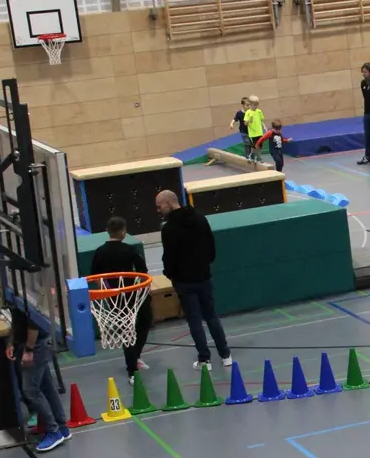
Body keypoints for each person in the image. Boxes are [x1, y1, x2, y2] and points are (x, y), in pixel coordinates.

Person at [0, 266, 70, 452]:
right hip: (26, 342)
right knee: (47, 387)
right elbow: (16, 320)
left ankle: (53, 431)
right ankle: (62, 426)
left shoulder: (23, 293)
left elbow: (33, 323)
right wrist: (12, 342)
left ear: (1, 273)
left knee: (30, 390)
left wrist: (28, 350)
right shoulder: (9, 292)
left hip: (35, 343)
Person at [156, 190, 230, 370]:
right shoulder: (200, 218)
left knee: (195, 320)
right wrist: (206, 264)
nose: (158, 210)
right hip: (204, 275)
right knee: (211, 316)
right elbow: (211, 245)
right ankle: (225, 354)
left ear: (168, 203)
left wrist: (169, 273)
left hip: (184, 281)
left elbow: (169, 256)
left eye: (159, 206)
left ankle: (205, 359)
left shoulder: (169, 228)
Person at [89, 215, 153, 381]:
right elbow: (142, 272)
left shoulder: (100, 252)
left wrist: (106, 291)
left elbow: (95, 276)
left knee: (127, 328)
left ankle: (133, 361)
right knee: (141, 323)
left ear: (107, 231)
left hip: (114, 296)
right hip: (133, 293)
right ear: (124, 232)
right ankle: (132, 369)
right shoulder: (130, 250)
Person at [242, 97, 267, 163]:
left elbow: (261, 120)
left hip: (259, 132)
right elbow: (245, 123)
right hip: (253, 133)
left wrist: (264, 126)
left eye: (257, 105)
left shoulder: (259, 111)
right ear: (250, 104)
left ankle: (255, 155)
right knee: (255, 146)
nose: (256, 106)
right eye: (254, 105)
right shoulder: (248, 112)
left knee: (260, 146)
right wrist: (249, 120)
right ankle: (256, 156)